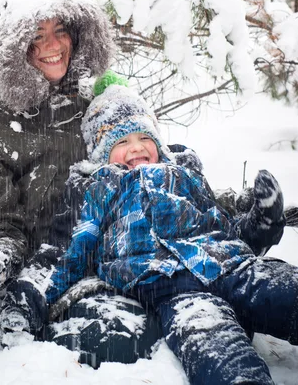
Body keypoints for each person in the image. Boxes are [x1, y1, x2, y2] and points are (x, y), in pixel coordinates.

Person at [0, 0, 163, 365]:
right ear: (13, 46)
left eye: (60, 31)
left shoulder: (98, 104)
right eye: (36, 36)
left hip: (124, 256)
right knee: (128, 341)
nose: (53, 46)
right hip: (49, 277)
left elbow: (152, 170)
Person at [20, 84, 295, 385]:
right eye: (121, 140)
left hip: (229, 265)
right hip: (172, 290)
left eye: (144, 137)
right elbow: (67, 252)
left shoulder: (183, 175)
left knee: (284, 291)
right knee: (222, 359)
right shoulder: (98, 188)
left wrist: (261, 224)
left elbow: (224, 226)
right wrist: (29, 299)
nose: (136, 147)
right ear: (101, 153)